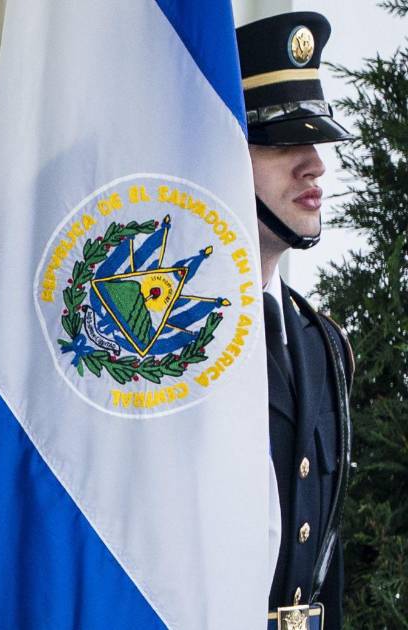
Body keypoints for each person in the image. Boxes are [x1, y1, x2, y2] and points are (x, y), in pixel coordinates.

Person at [236, 13, 354, 630]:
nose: (314, 165)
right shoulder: (172, 345)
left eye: (314, 143)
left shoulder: (322, 344)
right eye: (282, 143)